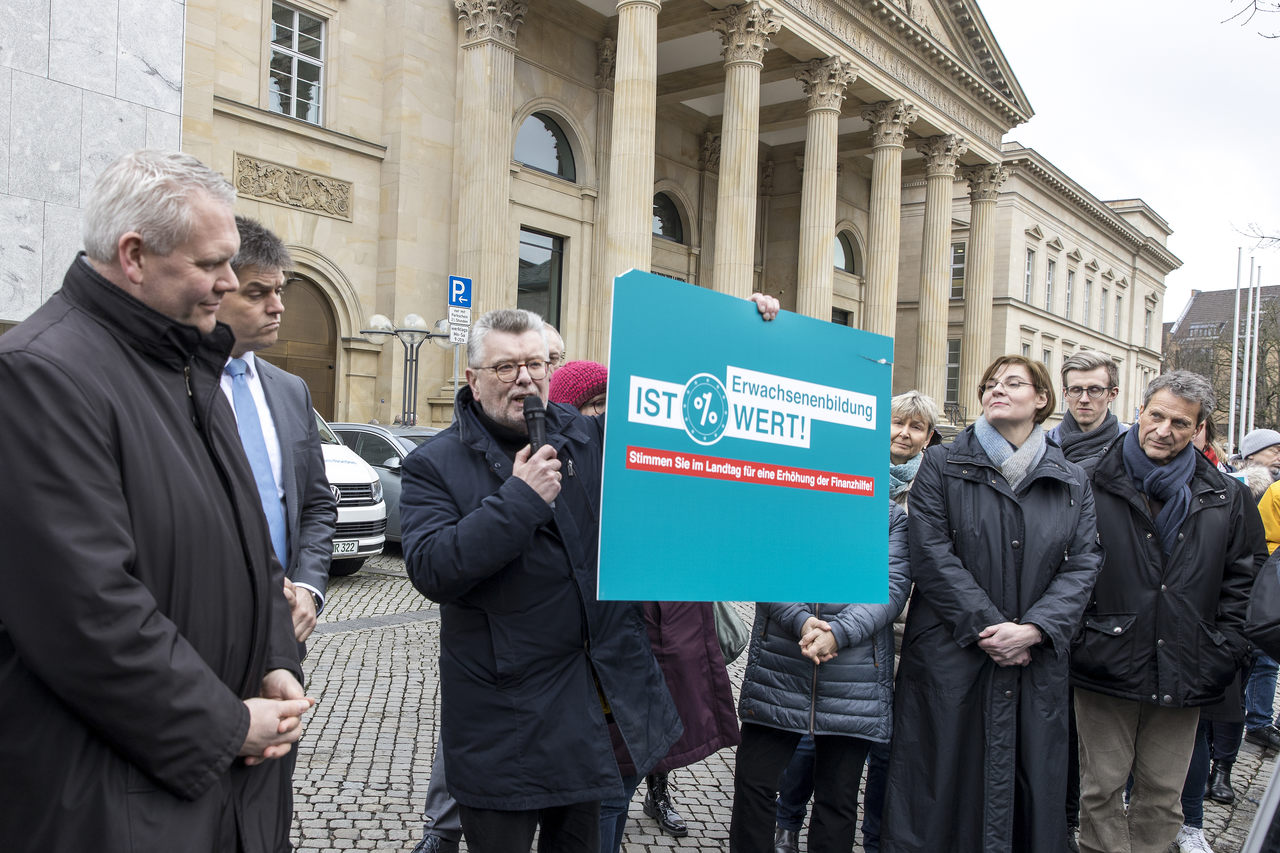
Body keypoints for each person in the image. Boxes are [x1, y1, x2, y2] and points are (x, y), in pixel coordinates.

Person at [0, 149, 315, 852]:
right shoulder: (41, 375)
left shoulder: (193, 364)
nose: (229, 283)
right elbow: (84, 609)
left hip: (227, 792)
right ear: (135, 254)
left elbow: (252, 550)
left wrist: (276, 657)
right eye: (212, 265)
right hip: (116, 796)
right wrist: (227, 725)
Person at [400, 297, 779, 852]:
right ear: (474, 378)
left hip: (589, 718)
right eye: (507, 367)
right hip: (503, 726)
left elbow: (682, 417)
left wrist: (733, 333)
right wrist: (521, 500)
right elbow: (433, 568)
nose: (524, 379)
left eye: (535, 365)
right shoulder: (433, 463)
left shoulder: (582, 431)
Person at [882, 355, 1103, 853]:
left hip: (1034, 662)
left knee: (1026, 793)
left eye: (1012, 382)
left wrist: (1035, 630)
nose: (995, 389)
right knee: (938, 791)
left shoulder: (1071, 479)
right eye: (989, 384)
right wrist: (991, 628)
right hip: (951, 654)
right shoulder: (942, 464)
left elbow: (1084, 563)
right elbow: (932, 554)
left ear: (1042, 399)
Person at [546, 360, 740, 851]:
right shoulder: (555, 477)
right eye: (593, 405)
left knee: (618, 783)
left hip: (651, 651)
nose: (606, 416)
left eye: (614, 404)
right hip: (581, 658)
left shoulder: (658, 472)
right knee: (600, 789)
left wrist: (750, 331)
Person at [1072, 371, 1258, 853]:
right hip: (1105, 659)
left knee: (1162, 794)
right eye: (1157, 415)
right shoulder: (1090, 480)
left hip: (1189, 660)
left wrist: (1226, 646)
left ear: (1198, 429)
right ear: (1139, 411)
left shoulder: (1226, 494)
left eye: (1181, 422)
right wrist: (1079, 638)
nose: (1164, 430)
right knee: (1101, 789)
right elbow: (1064, 566)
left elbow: (1243, 579)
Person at [772, 390, 939, 853]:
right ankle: (787, 819)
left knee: (883, 745)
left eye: (916, 427)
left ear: (928, 436)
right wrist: (829, 626)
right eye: (897, 423)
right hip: (843, 628)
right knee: (815, 733)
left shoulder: (932, 482)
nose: (904, 434)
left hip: (904, 627)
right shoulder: (851, 469)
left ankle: (876, 836)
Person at [217, 215, 338, 851]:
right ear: (216, 287)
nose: (278, 306)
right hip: (201, 630)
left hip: (284, 631)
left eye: (281, 290)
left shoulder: (290, 390)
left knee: (270, 795)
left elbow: (318, 506)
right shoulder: (176, 384)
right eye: (259, 292)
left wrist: (310, 590)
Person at [731, 499, 911, 853]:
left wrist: (837, 633)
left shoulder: (889, 517)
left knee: (838, 799)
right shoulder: (780, 502)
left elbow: (892, 588)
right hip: (780, 669)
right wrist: (800, 620)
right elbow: (758, 566)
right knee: (755, 785)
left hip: (853, 677)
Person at [1047, 349, 1123, 463]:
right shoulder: (1044, 447)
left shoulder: (1129, 446)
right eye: (1076, 390)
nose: (1084, 399)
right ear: (1065, 394)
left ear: (1112, 394)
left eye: (1095, 390)